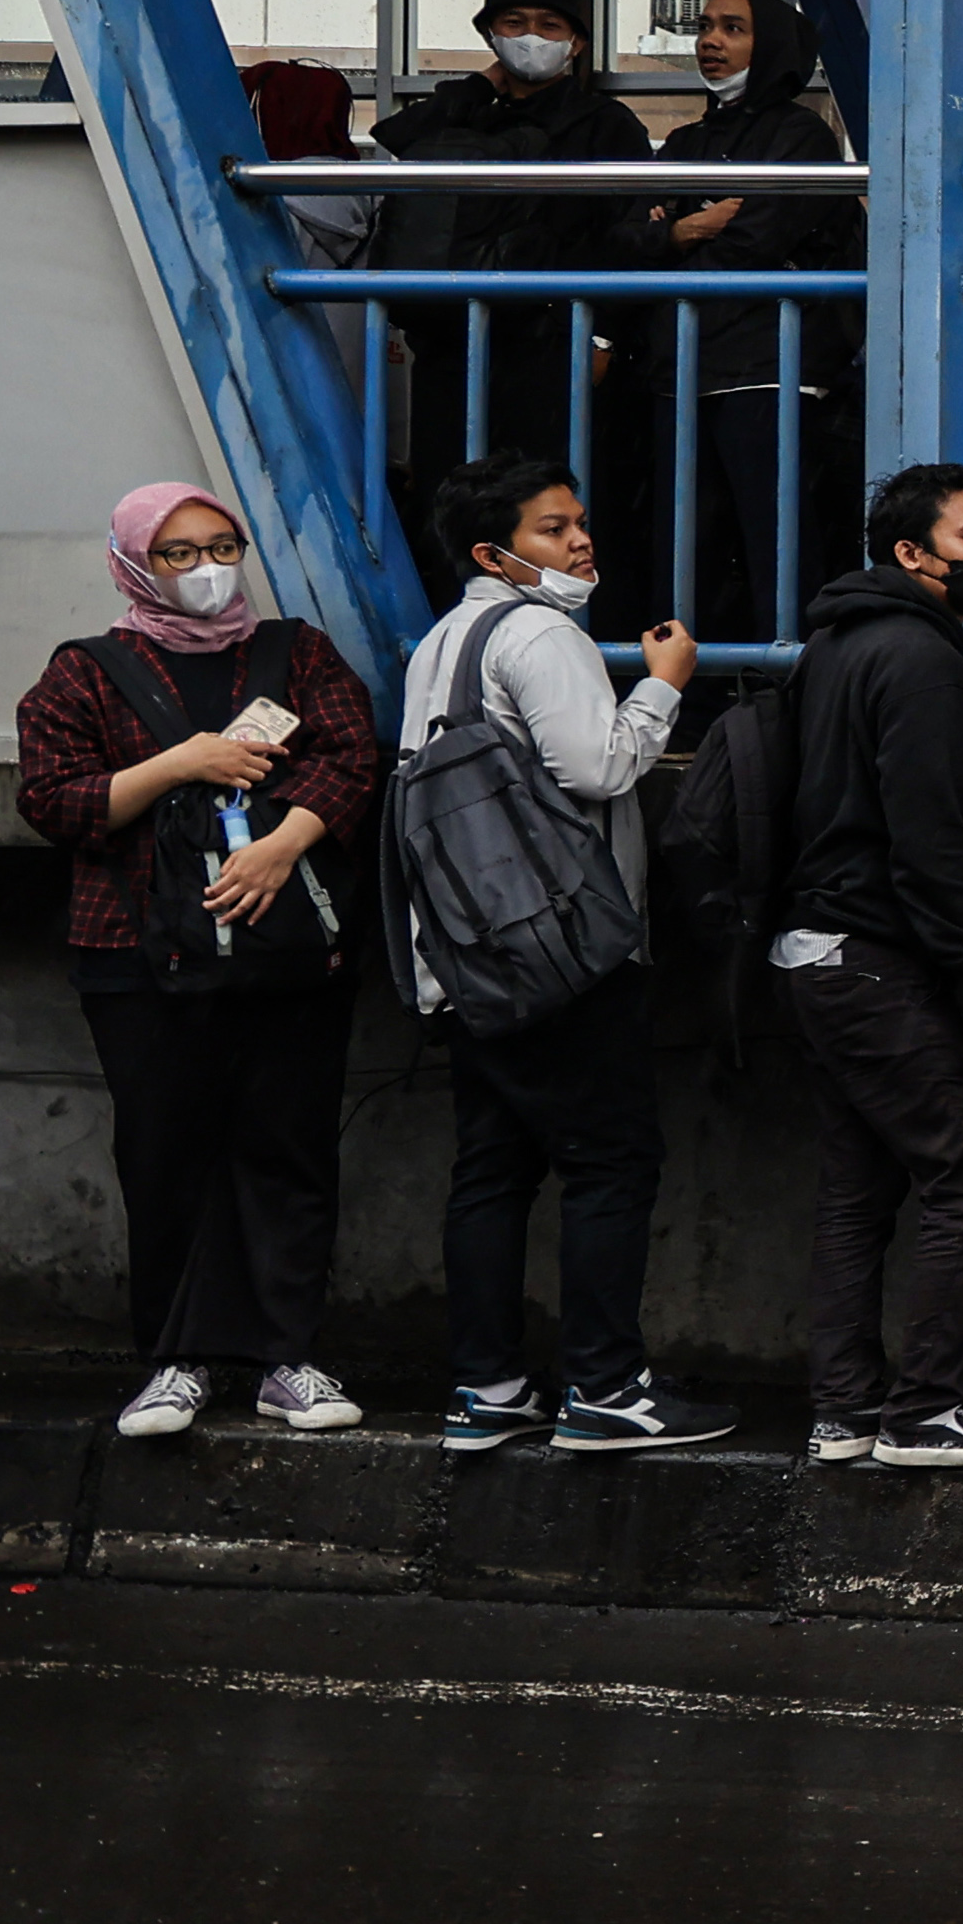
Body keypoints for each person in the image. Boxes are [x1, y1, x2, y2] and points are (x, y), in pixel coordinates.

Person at [17, 484, 381, 1439]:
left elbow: (352, 756)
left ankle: (286, 1358)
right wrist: (184, 763)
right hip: (135, 952)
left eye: (223, 546)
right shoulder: (87, 673)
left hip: (287, 949)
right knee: (165, 1149)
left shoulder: (296, 653)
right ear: (136, 561)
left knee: (288, 1145)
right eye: (179, 553)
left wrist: (281, 847)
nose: (208, 569)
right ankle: (178, 1361)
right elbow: (53, 800)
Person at [402, 458, 730, 1455]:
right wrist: (663, 687)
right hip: (565, 951)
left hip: (469, 951)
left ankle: (489, 1384)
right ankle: (606, 1387)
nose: (581, 542)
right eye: (553, 529)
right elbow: (599, 765)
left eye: (580, 522)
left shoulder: (441, 641)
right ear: (493, 551)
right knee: (610, 1163)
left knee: (494, 1168)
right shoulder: (542, 633)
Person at [780, 466, 963, 1468]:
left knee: (858, 1188)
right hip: (876, 958)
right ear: (911, 552)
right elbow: (928, 836)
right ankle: (923, 1411)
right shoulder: (926, 661)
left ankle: (844, 1409)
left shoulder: (831, 645)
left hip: (813, 949)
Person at [364, 0, 654, 594]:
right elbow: (397, 141)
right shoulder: (460, 114)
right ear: (489, 34)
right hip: (450, 341)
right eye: (513, 24)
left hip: (550, 342)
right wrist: (476, 87)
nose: (531, 37)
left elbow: (628, 237)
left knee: (546, 499)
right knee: (448, 493)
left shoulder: (606, 124)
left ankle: (561, 643)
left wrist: (602, 337)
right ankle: (454, 633)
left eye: (549, 25)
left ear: (576, 42)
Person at [652, 0, 865, 647]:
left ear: (770, 45)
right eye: (706, 26)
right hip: (684, 365)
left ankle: (791, 686)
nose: (711, 41)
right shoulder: (687, 141)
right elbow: (630, 233)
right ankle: (694, 698)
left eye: (734, 28)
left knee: (775, 541)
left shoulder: (799, 137)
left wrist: (672, 245)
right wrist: (684, 231)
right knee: (687, 542)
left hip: (769, 368)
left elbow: (755, 239)